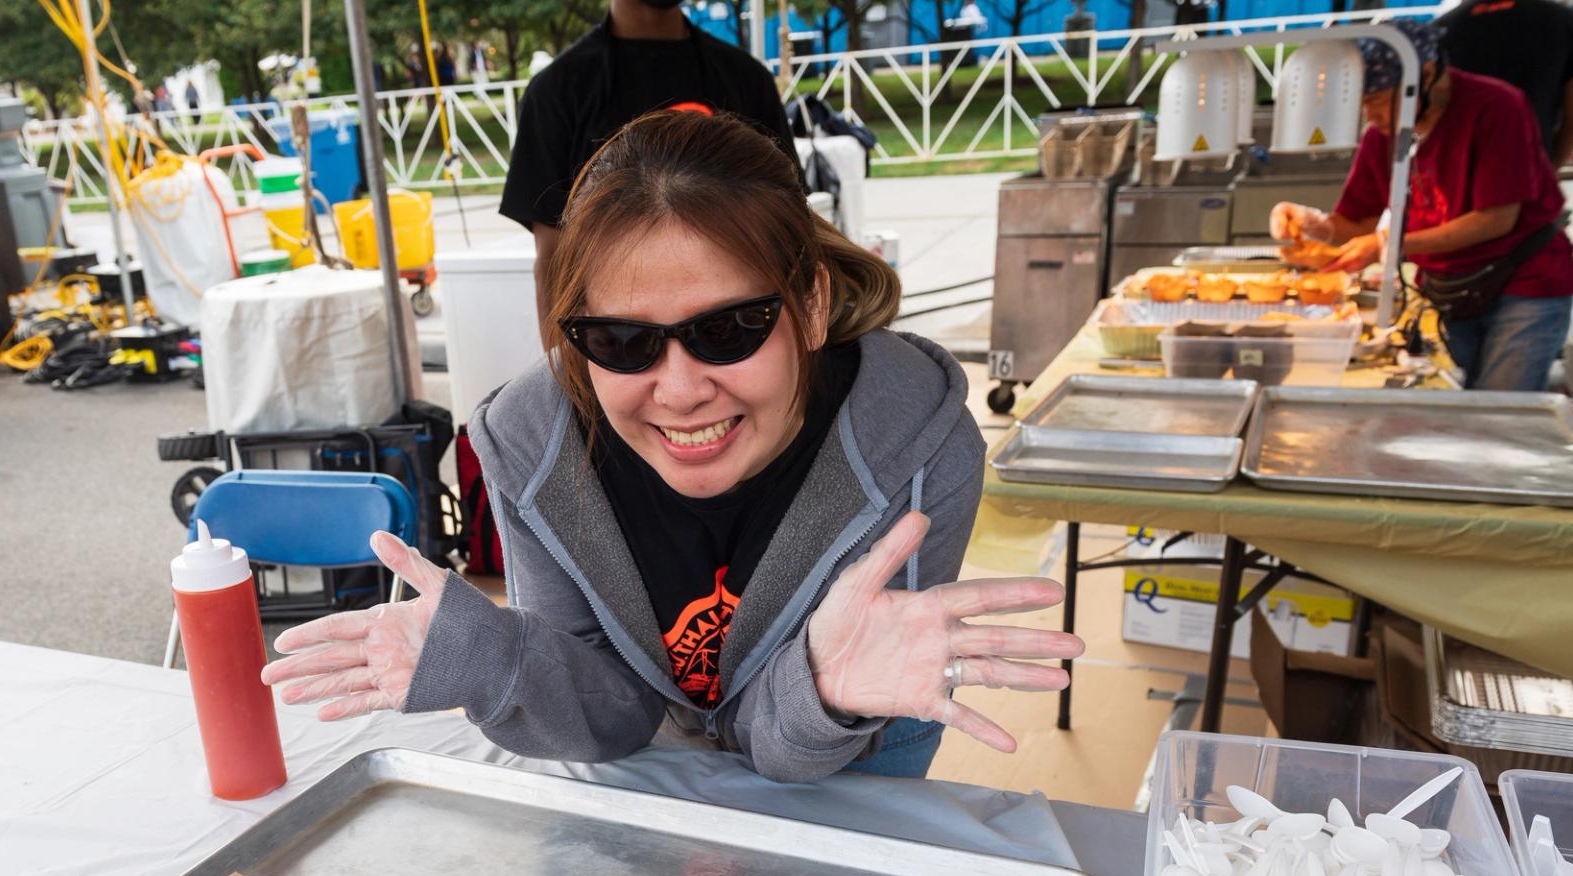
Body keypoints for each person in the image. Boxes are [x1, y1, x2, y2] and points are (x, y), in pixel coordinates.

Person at [262, 111, 1082, 782]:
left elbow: (813, 749)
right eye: (620, 340)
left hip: (849, 763)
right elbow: (611, 715)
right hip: (660, 763)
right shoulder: (531, 447)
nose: (681, 389)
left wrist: (822, 690)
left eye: (728, 330)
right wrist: (492, 658)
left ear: (815, 304)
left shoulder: (919, 446)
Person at [1270, 18, 1573, 392]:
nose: (1372, 117)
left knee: (1500, 414)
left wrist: (1388, 244)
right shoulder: (1383, 136)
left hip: (1523, 286)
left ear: (1426, 76)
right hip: (1448, 290)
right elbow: (1358, 220)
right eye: (1364, 105)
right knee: (1455, 405)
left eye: (1379, 102)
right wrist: (1315, 225)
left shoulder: (1497, 107)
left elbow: (1495, 219)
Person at [500, 0, 796, 310]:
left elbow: (792, 230)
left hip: (742, 330)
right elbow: (552, 261)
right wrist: (563, 357)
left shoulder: (747, 78)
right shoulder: (557, 91)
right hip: (624, 341)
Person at [1433, 0, 1573, 166]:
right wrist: (1548, 172)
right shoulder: (1566, 21)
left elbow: (1430, 114)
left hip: (1457, 170)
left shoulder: (1439, 29)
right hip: (1526, 166)